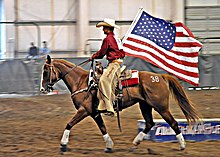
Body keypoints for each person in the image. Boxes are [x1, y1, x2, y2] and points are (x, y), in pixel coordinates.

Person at [89, 18, 125, 116]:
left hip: (114, 63)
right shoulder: (116, 38)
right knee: (104, 81)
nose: (103, 29)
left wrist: (93, 56)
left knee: (103, 81)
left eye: (104, 27)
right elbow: (122, 52)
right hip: (117, 62)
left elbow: (101, 53)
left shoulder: (108, 39)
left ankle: (109, 107)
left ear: (108, 29)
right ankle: (101, 105)